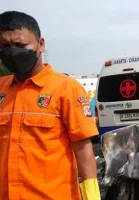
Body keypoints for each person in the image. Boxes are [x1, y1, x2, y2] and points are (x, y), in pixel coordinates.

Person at [0, 11, 100, 199]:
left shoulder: (66, 89)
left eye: (21, 45)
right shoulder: (1, 89)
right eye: (5, 46)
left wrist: (92, 196)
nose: (13, 52)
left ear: (41, 45)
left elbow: (83, 150)